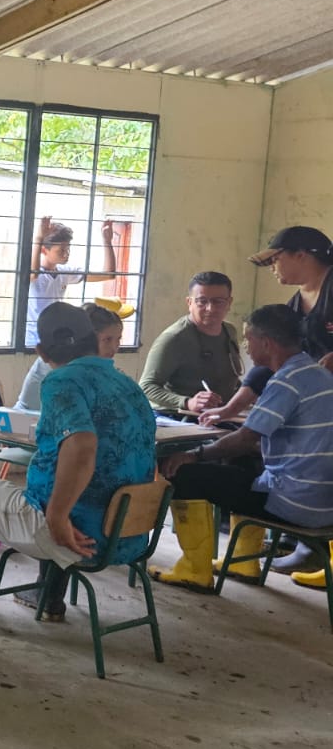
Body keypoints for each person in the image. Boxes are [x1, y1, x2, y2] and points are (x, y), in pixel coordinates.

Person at [0, 302, 155, 627]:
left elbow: (81, 445)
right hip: (127, 536)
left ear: (41, 352)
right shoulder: (128, 385)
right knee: (57, 486)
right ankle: (48, 598)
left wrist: (57, 516)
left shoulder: (61, 381)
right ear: (94, 340)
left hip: (73, 535)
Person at [153, 304, 333, 592]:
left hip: (295, 504)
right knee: (243, 465)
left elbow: (245, 438)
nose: (246, 347)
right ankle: (242, 562)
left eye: (249, 339)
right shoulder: (318, 374)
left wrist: (193, 455)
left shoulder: (286, 381)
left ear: (267, 343)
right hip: (325, 503)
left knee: (183, 474)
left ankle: (194, 571)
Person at [202, 227, 333, 427]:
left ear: (300, 255)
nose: (272, 268)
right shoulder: (295, 305)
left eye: (275, 260)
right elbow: (270, 359)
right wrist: (229, 410)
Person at [138, 273, 242, 415]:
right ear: (189, 303)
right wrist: (187, 402)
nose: (210, 308)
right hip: (178, 417)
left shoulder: (230, 331)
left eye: (218, 301)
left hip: (220, 414)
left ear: (229, 303)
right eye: (202, 301)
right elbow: (146, 386)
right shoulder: (174, 338)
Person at [25, 216, 119, 348]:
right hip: (32, 341)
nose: (66, 253)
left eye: (68, 248)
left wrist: (107, 241)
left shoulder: (64, 272)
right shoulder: (36, 273)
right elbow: (33, 274)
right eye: (61, 250)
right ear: (44, 250)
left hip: (55, 341)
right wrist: (39, 238)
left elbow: (109, 275)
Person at [16, 302, 124, 410]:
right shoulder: (59, 361)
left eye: (118, 339)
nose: (114, 348)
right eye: (107, 340)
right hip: (27, 418)